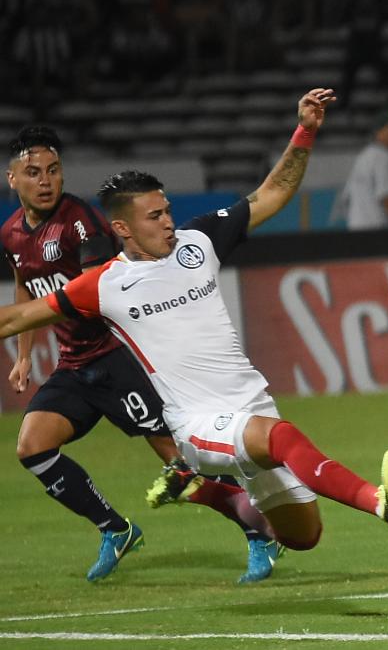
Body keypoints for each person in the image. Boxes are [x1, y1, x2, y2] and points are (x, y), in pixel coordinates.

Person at [0, 89, 388, 577]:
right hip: (198, 423)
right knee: (279, 438)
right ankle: (381, 502)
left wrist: (305, 130)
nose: (169, 222)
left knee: (303, 535)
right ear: (123, 228)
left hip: (250, 403)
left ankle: (219, 502)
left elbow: (271, 194)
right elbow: (17, 315)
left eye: (168, 210)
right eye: (155, 216)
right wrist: (26, 354)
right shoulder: (103, 283)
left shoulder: (198, 242)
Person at [4, 126, 281, 583]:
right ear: (12, 178)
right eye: (33, 172)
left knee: (182, 463)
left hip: (117, 359)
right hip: (75, 363)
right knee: (32, 447)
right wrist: (23, 354)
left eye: (53, 170)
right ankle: (115, 528)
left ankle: (259, 533)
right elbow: (23, 281)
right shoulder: (11, 233)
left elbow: (100, 287)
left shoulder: (81, 222)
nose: (45, 180)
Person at [334, 107, 388, 230]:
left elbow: (347, 200)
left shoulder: (363, 157)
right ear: (378, 132)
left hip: (357, 230)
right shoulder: (382, 157)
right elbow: (387, 197)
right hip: (378, 234)